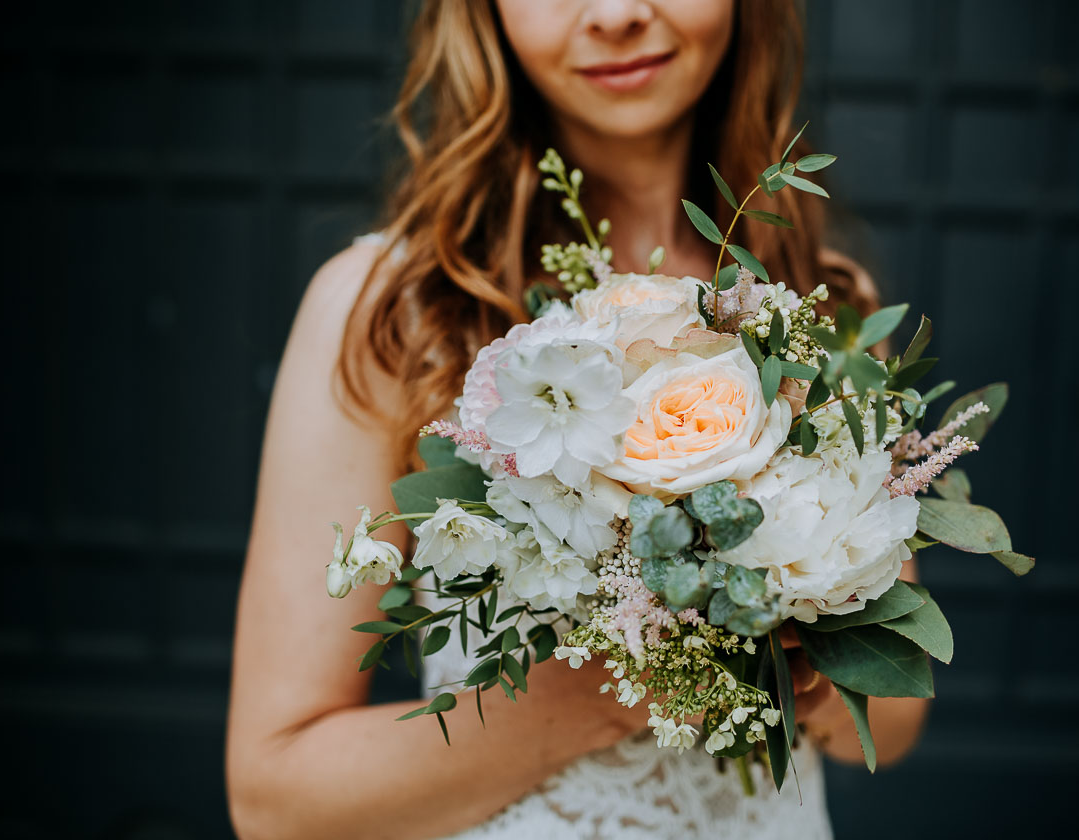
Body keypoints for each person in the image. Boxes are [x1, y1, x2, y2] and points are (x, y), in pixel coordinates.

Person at [226, 2, 929, 838]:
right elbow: (274, 799)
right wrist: (614, 686)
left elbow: (893, 719)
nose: (619, 14)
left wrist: (795, 637)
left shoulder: (819, 303)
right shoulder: (392, 312)